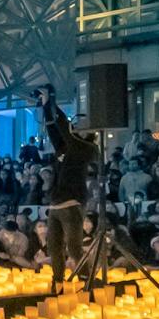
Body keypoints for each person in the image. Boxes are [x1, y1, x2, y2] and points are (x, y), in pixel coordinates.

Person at [39, 86, 96, 286]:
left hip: (71, 204)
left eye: (81, 125)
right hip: (55, 205)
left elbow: (63, 128)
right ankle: (58, 282)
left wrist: (52, 100)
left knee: (74, 248)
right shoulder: (66, 147)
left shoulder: (86, 148)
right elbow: (54, 129)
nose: (76, 125)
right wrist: (46, 106)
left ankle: (85, 279)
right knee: (54, 248)